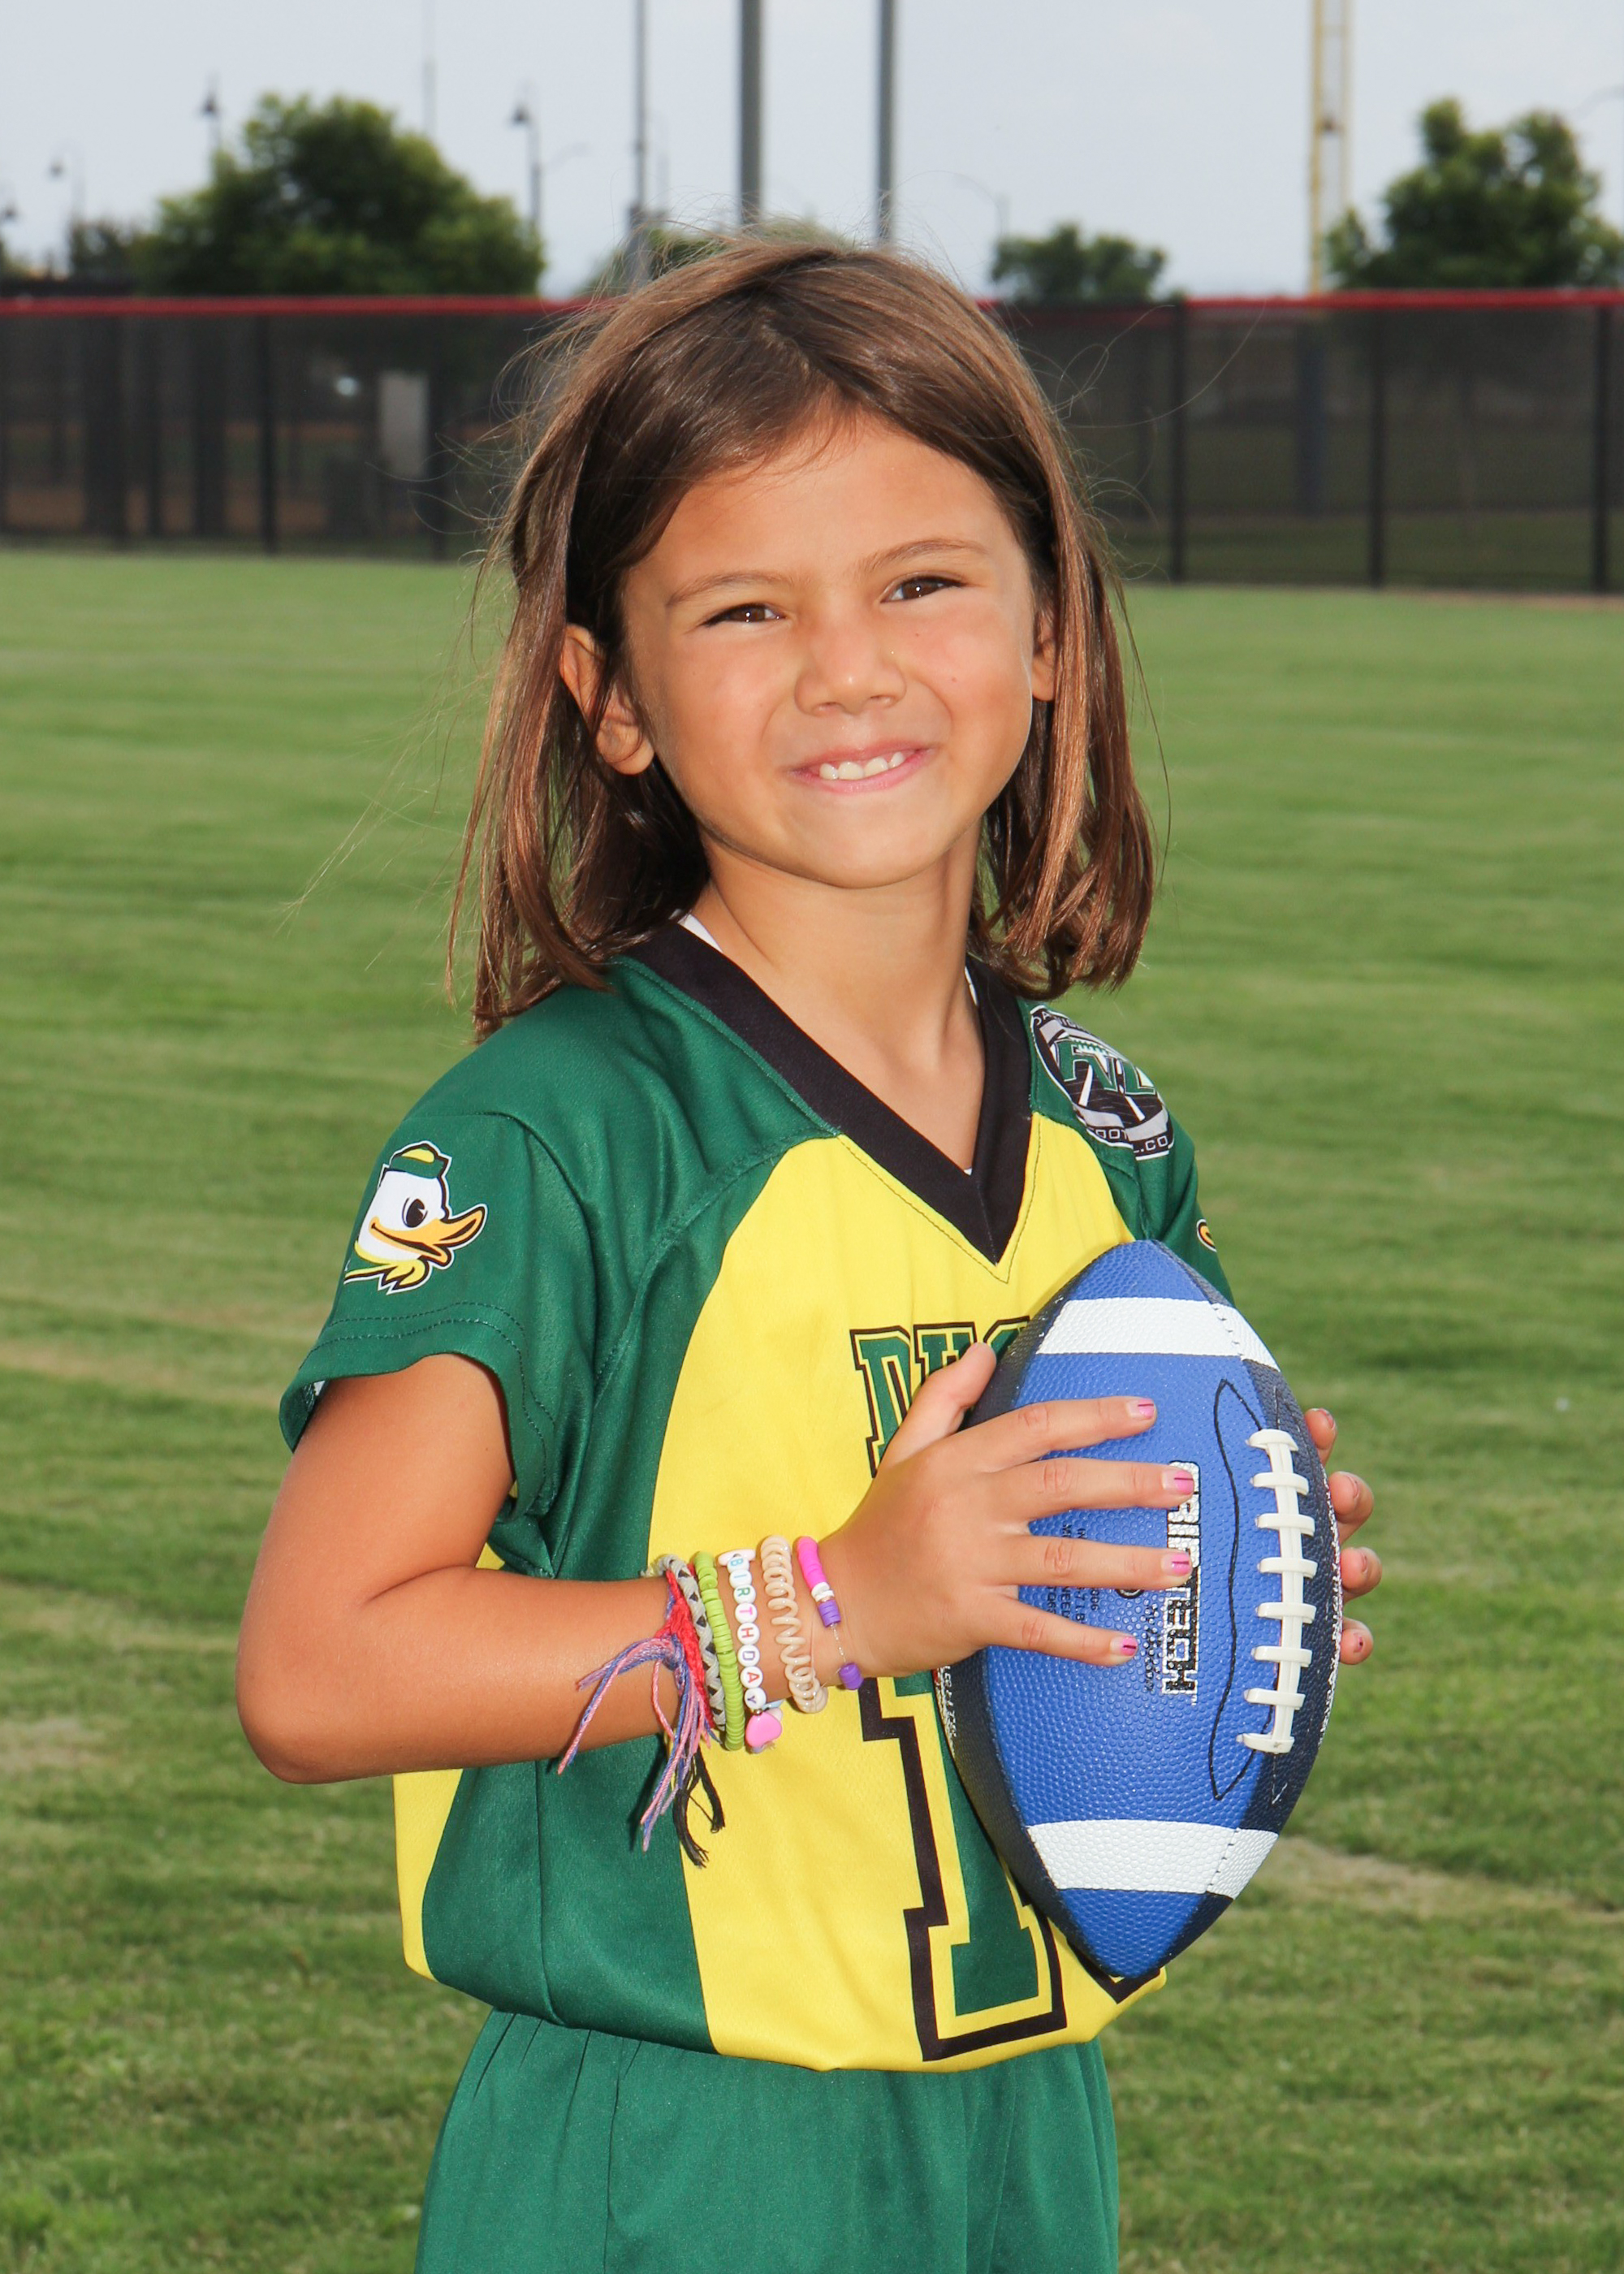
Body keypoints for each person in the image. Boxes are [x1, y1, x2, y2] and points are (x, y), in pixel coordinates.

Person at [237, 239, 1379, 2274]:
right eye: (746, 608)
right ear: (609, 696)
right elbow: (319, 1666)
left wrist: (1227, 1574)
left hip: (1022, 2121)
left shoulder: (1110, 1135)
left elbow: (1078, 1591)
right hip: (676, 2148)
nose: (847, 667)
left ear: (1050, 627)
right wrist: (838, 1601)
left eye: (921, 582)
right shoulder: (563, 1132)